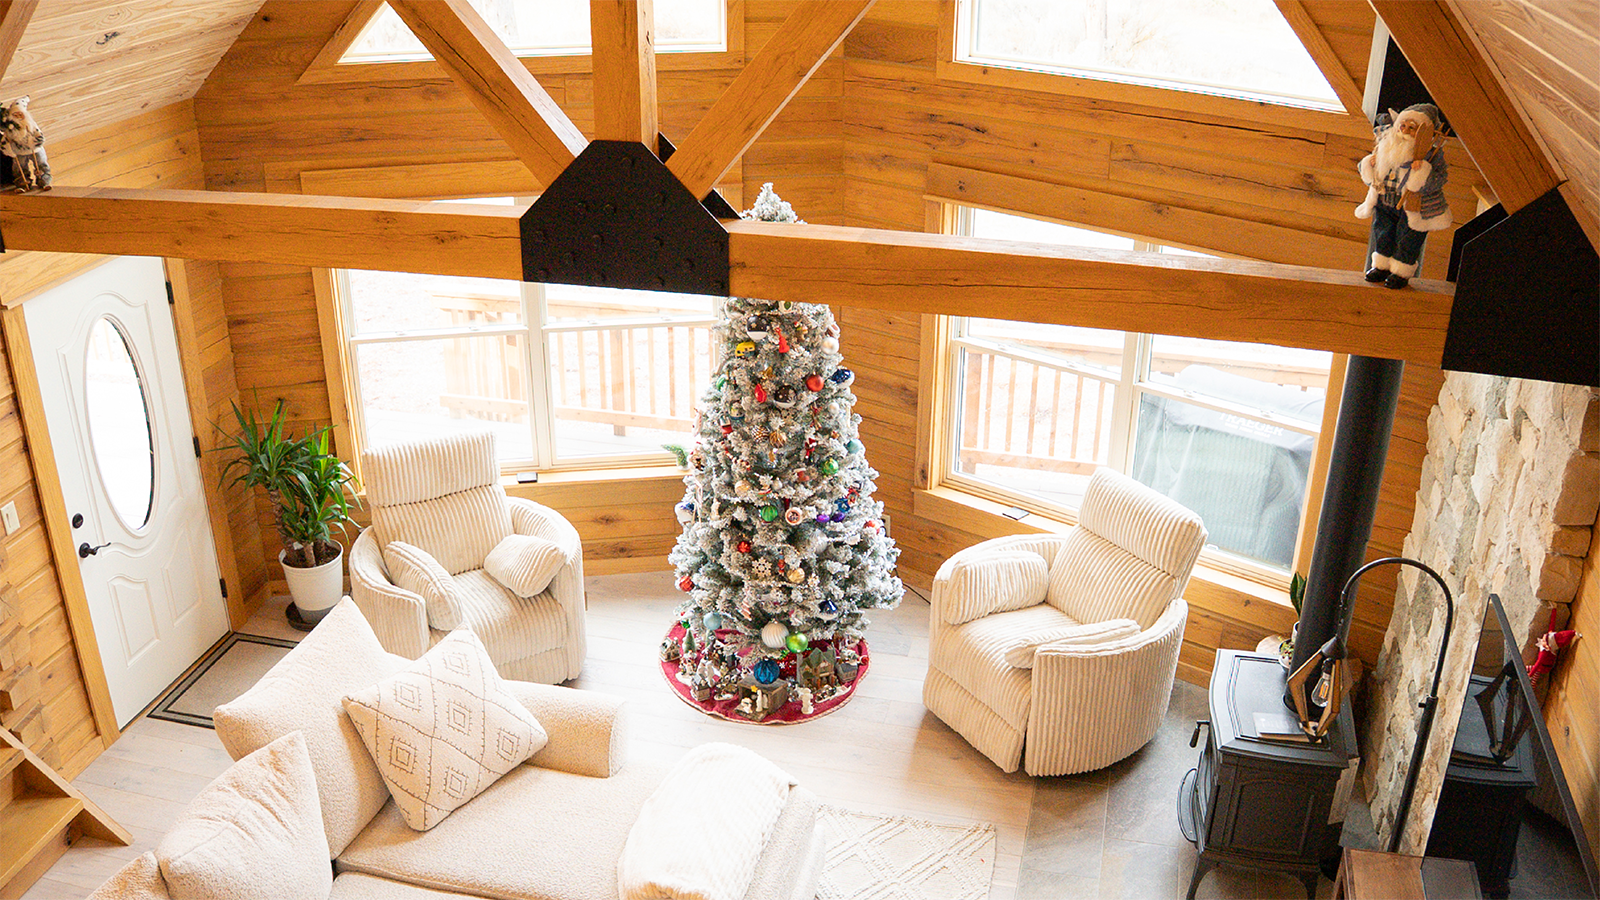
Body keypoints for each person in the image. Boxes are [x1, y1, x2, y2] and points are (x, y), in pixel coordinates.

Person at [1354, 103, 1452, 289]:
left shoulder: (1430, 155)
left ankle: (1400, 272)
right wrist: (1370, 164)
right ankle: (1381, 266)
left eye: (1412, 128)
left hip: (1412, 206)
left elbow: (1439, 179)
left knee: (1407, 238)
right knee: (1382, 232)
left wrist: (1423, 172)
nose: (1405, 131)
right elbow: (1368, 174)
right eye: (1403, 125)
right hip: (1385, 201)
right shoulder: (1387, 145)